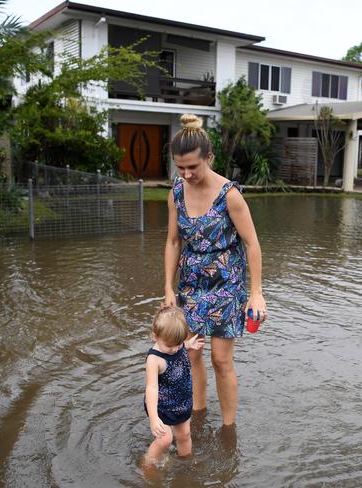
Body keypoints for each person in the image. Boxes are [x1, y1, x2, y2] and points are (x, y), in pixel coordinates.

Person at [163, 113, 267, 427]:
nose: (186, 174)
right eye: (180, 167)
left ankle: (228, 429)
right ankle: (197, 417)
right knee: (191, 354)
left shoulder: (230, 196)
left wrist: (256, 293)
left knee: (220, 359)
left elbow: (252, 244)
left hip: (226, 285)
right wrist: (168, 287)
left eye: (193, 167)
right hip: (191, 285)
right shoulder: (176, 194)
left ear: (209, 158)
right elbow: (172, 241)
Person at [144, 306, 204, 467]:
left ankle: (186, 462)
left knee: (184, 435)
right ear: (155, 337)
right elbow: (151, 388)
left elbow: (179, 344)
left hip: (182, 402)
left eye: (179, 344)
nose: (175, 349)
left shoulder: (176, 343)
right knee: (165, 439)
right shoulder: (154, 360)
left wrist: (188, 344)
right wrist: (153, 418)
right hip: (162, 406)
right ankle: (147, 464)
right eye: (170, 346)